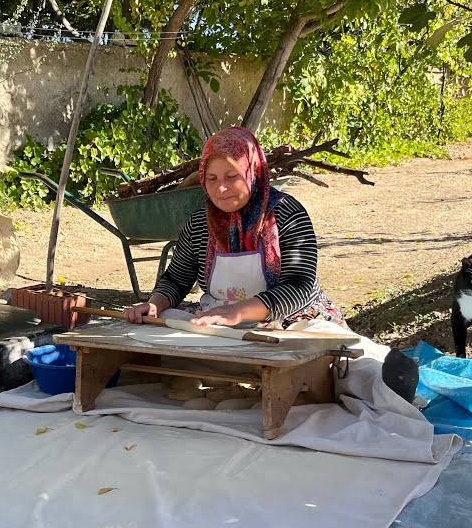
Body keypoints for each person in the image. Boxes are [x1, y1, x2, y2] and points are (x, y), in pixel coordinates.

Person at [124, 126, 418, 401]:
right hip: (222, 323)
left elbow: (300, 285)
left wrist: (238, 311)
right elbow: (176, 278)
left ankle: (384, 381)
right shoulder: (200, 223)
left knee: (334, 360)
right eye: (212, 179)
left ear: (252, 171)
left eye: (232, 177)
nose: (221, 189)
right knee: (161, 334)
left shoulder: (287, 213)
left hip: (289, 321)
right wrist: (156, 304)